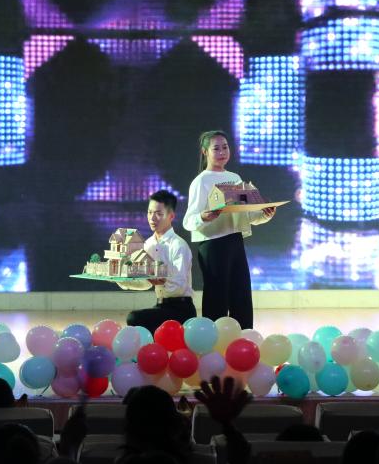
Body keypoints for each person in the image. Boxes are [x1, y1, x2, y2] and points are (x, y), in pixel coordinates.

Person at [183, 131, 275, 329]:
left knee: (241, 296)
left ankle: (244, 339)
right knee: (216, 298)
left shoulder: (235, 178)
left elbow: (245, 216)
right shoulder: (201, 181)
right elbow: (188, 221)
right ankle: (213, 341)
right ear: (205, 152)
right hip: (212, 245)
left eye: (225, 147)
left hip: (235, 242)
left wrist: (264, 214)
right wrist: (204, 217)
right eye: (216, 148)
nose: (222, 152)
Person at [118, 190, 197, 334]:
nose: (152, 218)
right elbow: (145, 283)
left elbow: (179, 287)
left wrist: (160, 280)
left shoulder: (178, 245)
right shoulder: (148, 244)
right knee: (137, 319)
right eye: (149, 212)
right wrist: (122, 279)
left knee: (134, 318)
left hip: (181, 309)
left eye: (158, 214)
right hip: (161, 306)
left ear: (171, 216)